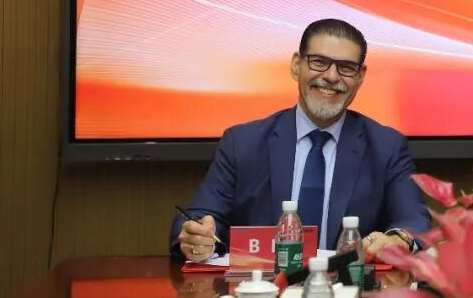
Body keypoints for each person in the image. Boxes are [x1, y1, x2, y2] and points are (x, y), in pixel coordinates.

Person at [170, 19, 429, 262]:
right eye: (319, 62)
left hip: (350, 285)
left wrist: (399, 239)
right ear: (296, 65)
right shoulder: (242, 143)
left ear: (360, 77)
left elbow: (413, 221)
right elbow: (200, 218)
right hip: (262, 285)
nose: (331, 76)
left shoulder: (386, 146)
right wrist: (197, 238)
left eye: (346, 68)